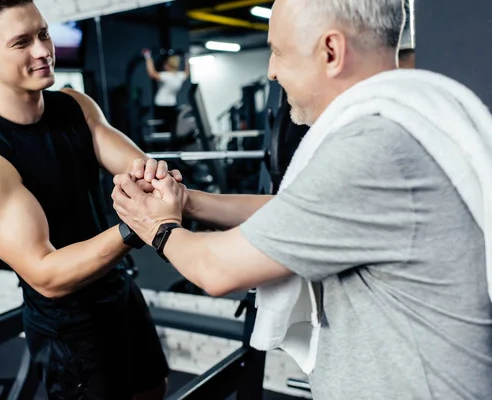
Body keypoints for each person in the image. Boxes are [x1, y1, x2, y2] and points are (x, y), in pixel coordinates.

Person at [112, 0, 492, 399]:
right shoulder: (405, 119)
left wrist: (155, 225)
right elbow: (291, 213)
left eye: (278, 51)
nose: (272, 70)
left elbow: (216, 270)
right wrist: (188, 201)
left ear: (331, 51)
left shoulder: (371, 149)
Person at [0, 1, 182, 399]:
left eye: (42, 33)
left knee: (153, 389)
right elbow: (47, 274)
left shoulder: (76, 106)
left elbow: (142, 171)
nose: (43, 50)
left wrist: (160, 183)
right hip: (69, 324)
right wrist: (136, 226)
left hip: (120, 289)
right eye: (21, 42)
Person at [143, 49, 189, 144]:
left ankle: (166, 147)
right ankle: (170, 145)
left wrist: (147, 57)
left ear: (168, 65)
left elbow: (152, 73)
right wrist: (186, 58)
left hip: (161, 106)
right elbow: (187, 72)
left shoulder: (166, 76)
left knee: (164, 130)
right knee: (171, 129)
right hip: (171, 106)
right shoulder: (180, 76)